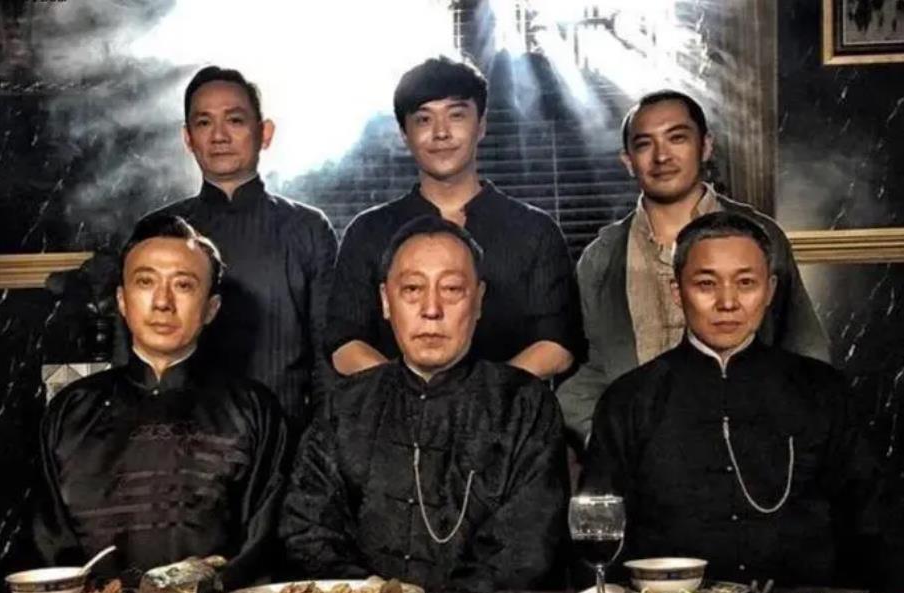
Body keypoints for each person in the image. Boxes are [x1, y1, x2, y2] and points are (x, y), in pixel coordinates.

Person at [580, 212, 881, 586]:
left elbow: (872, 524)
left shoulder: (823, 391)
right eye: (706, 284)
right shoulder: (628, 400)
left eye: (746, 283)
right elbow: (597, 540)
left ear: (769, 290)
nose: (728, 302)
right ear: (677, 291)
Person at [282, 216, 569, 591]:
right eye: (413, 289)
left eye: (451, 289)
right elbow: (306, 529)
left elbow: (524, 552)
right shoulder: (344, 407)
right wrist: (373, 589)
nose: (431, 309)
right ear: (386, 301)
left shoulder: (525, 406)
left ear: (479, 301)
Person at [557, 89, 829, 447]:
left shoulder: (759, 237)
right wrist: (610, 442)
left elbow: (806, 350)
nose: (662, 156)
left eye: (677, 138)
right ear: (628, 161)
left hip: (752, 446)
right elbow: (586, 373)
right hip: (645, 451)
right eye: (645, 144)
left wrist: (786, 439)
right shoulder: (602, 258)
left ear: (705, 146)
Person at [34, 215, 289, 590]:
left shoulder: (254, 410)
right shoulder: (69, 411)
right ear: (122, 300)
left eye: (183, 285)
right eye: (145, 282)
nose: (163, 302)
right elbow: (48, 546)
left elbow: (262, 547)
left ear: (211, 308)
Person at [325, 56, 582, 381]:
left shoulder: (535, 231)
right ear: (404, 134)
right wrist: (411, 396)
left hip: (510, 409)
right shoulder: (367, 231)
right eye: (423, 119)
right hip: (389, 410)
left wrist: (485, 398)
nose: (441, 133)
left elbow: (557, 344)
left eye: (456, 115)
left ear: (482, 124)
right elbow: (344, 342)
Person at [148, 66, 337, 429]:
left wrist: (320, 447)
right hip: (179, 441)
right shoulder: (158, 232)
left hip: (289, 440)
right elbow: (131, 358)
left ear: (265, 133)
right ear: (188, 138)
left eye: (235, 120)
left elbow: (327, 360)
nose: (219, 136)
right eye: (204, 123)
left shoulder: (308, 229)